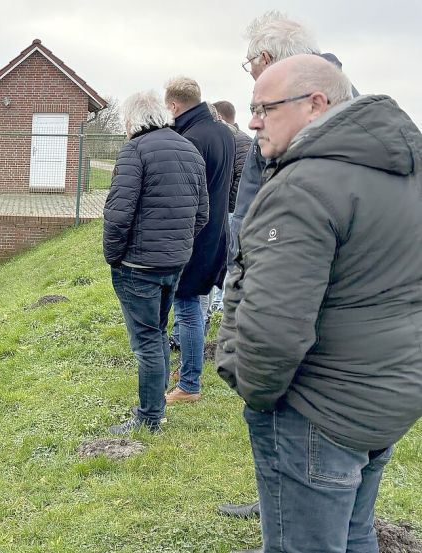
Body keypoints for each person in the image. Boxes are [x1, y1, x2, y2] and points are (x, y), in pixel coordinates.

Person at [218, 54, 422, 552]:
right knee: (355, 532)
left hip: (318, 409)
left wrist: (256, 393)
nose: (253, 122)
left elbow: (274, 325)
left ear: (315, 104)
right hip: (388, 391)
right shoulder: (402, 172)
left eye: (265, 108)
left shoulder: (304, 187)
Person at [219, 10, 358, 522]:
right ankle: (283, 497)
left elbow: (277, 233)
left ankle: (284, 500)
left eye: (250, 66)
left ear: (267, 59)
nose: (255, 120)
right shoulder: (352, 107)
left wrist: (250, 377)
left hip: (298, 314)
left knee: (288, 424)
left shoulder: (296, 117)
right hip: (357, 350)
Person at [103, 90, 208, 435]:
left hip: (138, 267)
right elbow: (202, 213)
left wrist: (114, 256)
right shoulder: (188, 149)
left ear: (132, 120)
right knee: (158, 332)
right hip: (174, 263)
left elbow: (118, 215)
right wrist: (178, 246)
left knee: (147, 340)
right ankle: (157, 404)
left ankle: (150, 417)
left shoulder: (134, 151)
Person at [163, 78, 234, 405]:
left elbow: (183, 197)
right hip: (217, 233)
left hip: (194, 237)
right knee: (195, 305)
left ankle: (189, 383)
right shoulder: (223, 132)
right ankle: (187, 368)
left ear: (174, 106)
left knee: (187, 307)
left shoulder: (190, 139)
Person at [208, 100, 252, 314]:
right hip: (231, 210)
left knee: (229, 257)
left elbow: (241, 180)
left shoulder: (238, 141)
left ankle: (221, 304)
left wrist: (226, 206)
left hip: (232, 210)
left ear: (220, 117)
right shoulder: (240, 139)